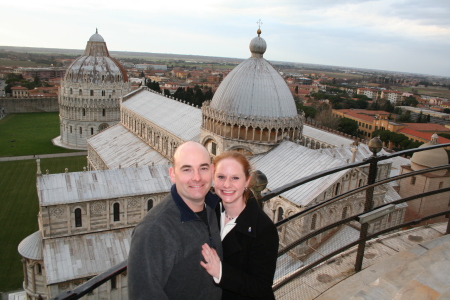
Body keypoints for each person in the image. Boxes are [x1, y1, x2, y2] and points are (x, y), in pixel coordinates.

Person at [128, 141, 222, 300]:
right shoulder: (153, 230)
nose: (197, 177)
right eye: (187, 169)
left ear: (212, 171)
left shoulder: (213, 208)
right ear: (172, 174)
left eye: (203, 168)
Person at [201, 151, 279, 300]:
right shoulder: (210, 211)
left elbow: (261, 288)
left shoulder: (263, 229)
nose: (227, 184)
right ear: (213, 178)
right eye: (221, 177)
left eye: (235, 178)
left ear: (247, 181)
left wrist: (221, 273)